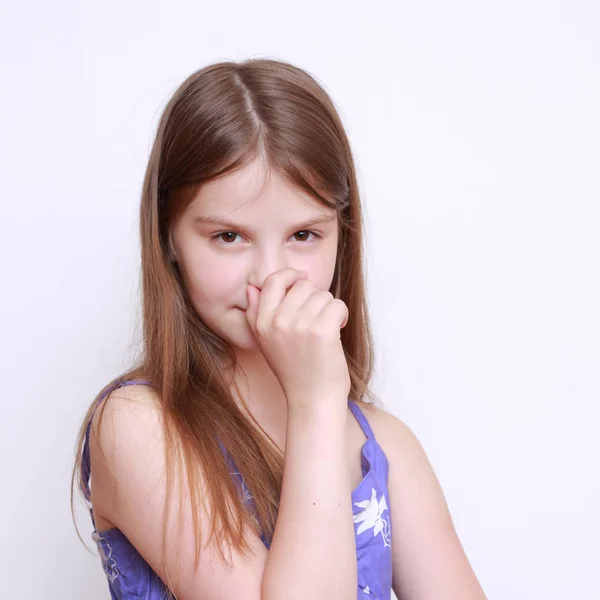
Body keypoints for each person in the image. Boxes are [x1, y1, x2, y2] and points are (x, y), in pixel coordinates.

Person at [71, 57, 487, 600]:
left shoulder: (382, 446)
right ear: (169, 239)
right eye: (228, 237)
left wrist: (326, 404)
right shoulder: (138, 425)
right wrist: (316, 403)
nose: (270, 275)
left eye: (304, 235)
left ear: (342, 238)